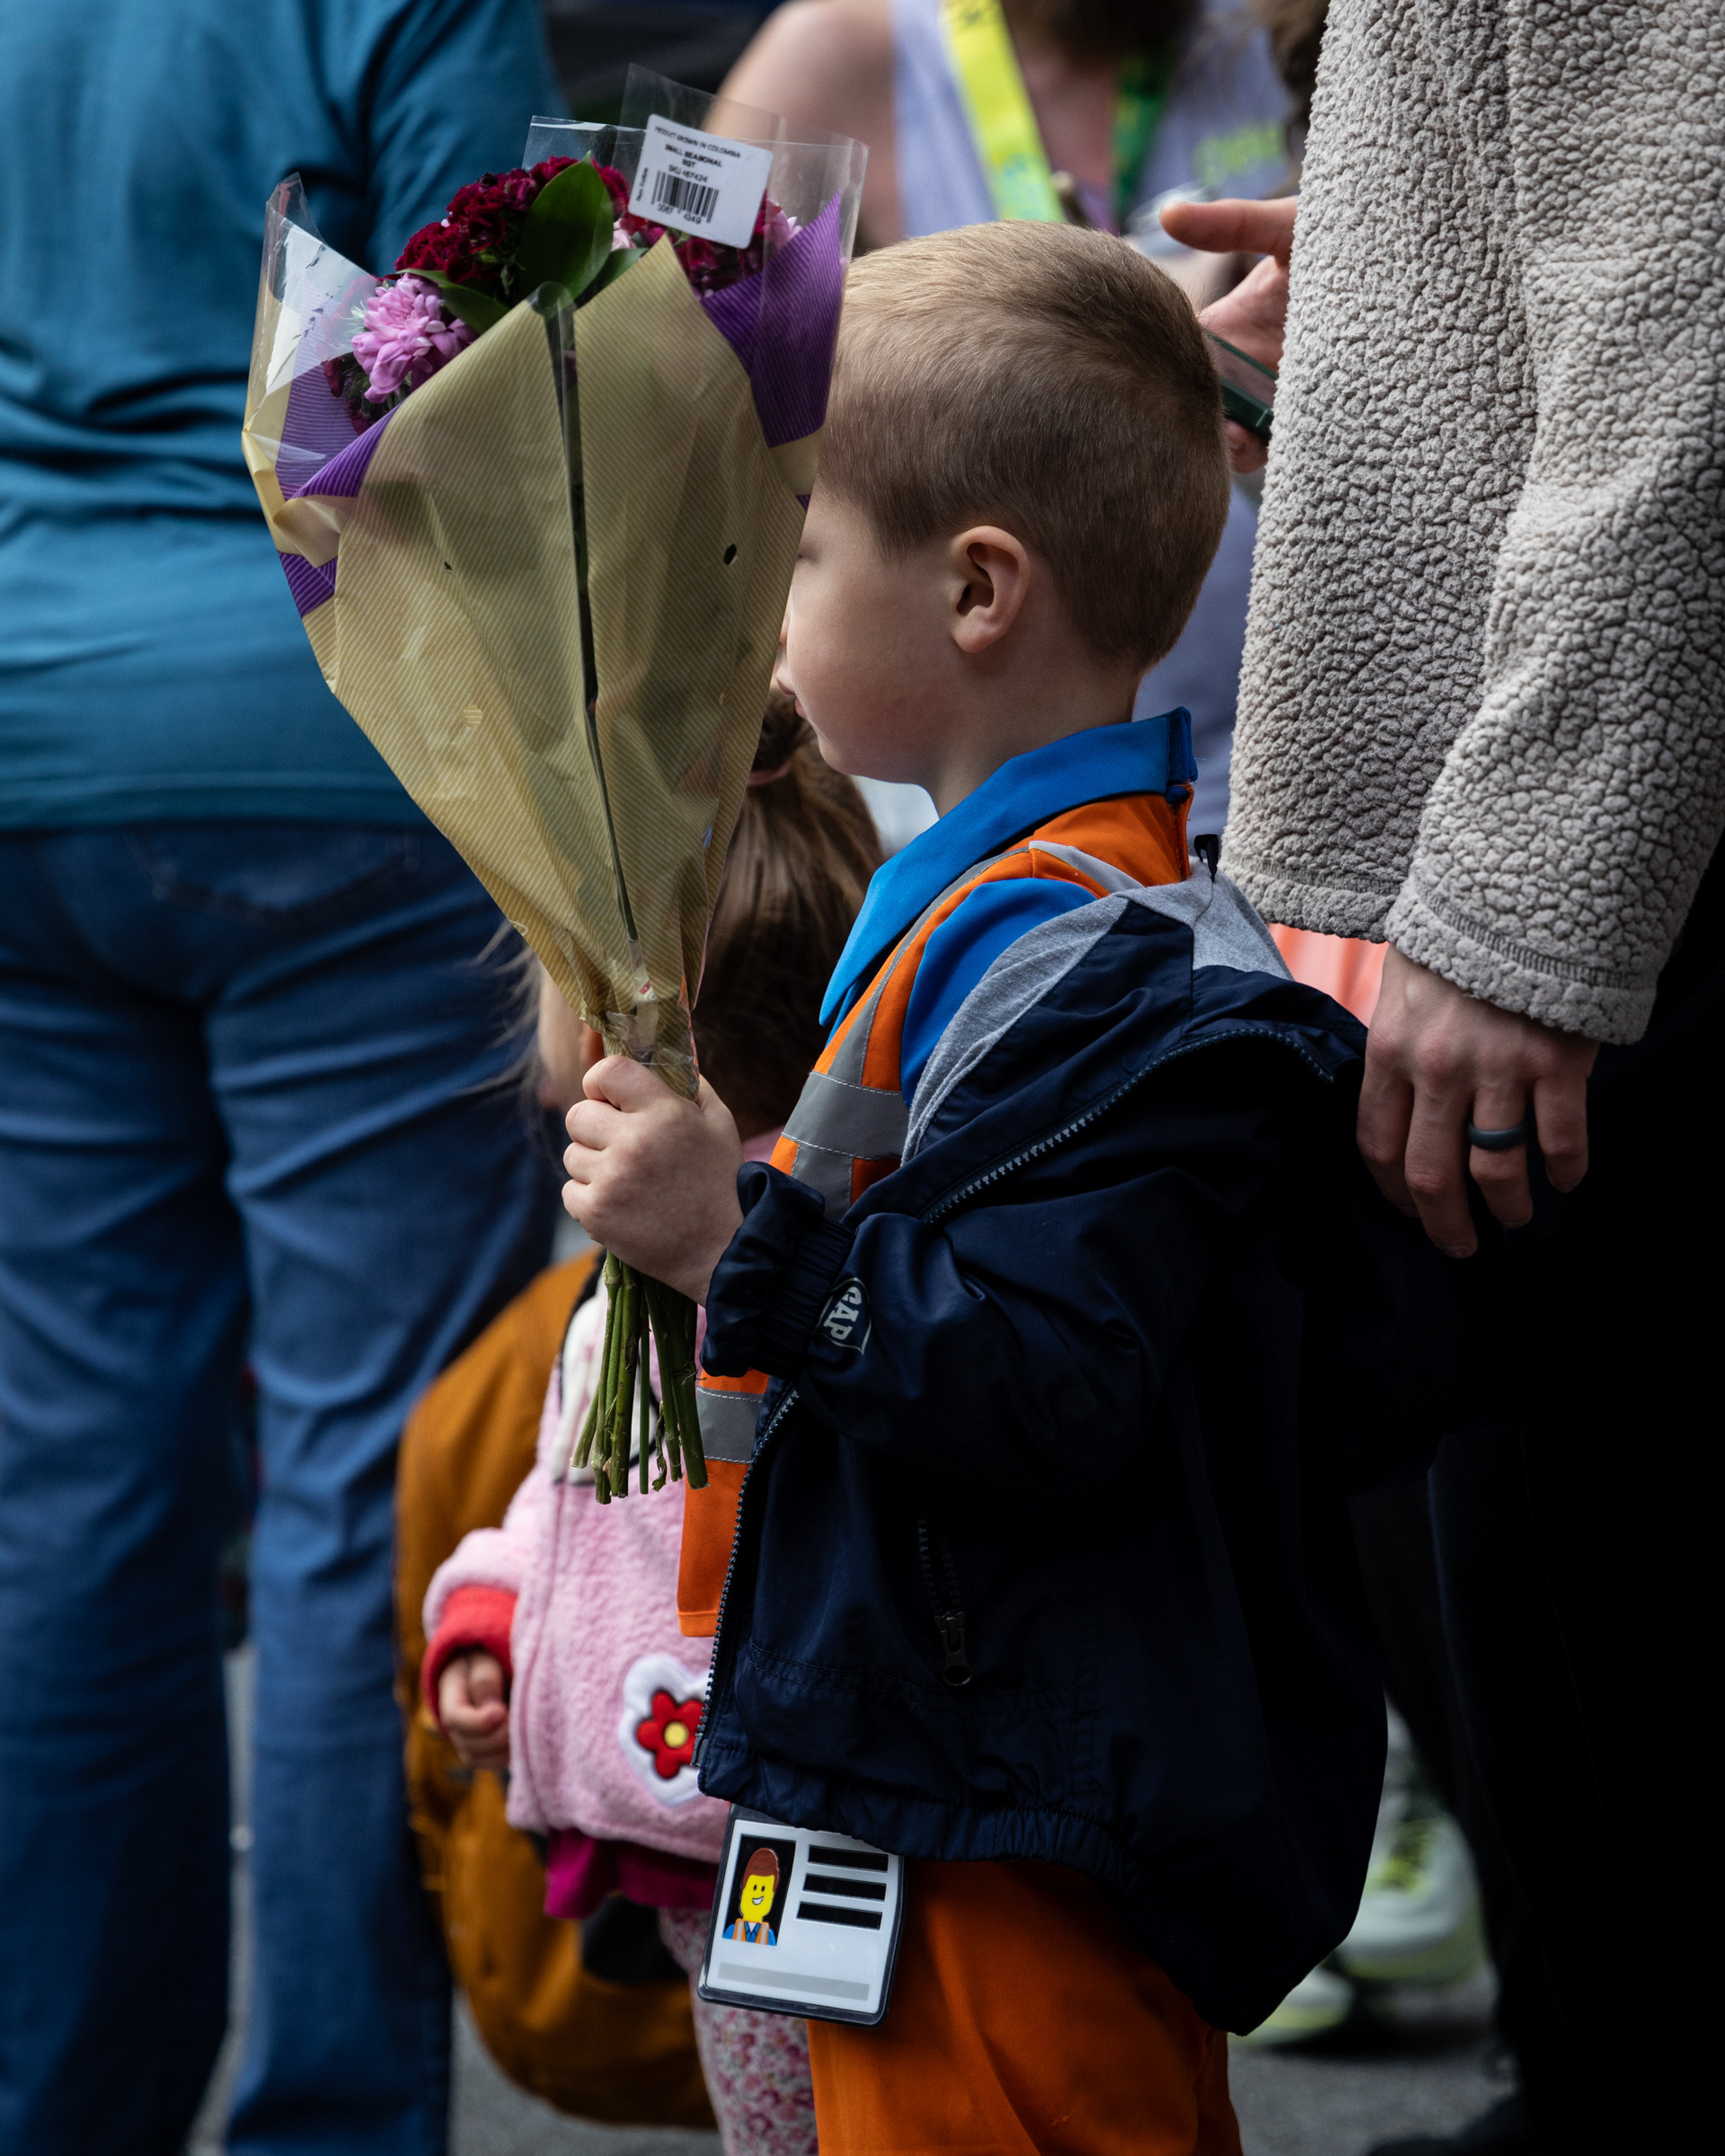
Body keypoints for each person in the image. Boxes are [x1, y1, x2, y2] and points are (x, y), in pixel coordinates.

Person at [561, 218, 1456, 2152]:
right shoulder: (989, 900)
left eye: (802, 550)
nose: (772, 603)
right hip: (927, 1767)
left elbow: (1050, 1377)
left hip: (1018, 1819)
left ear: (978, 591)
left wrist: (736, 1240)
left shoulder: (1115, 974)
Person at [0, 4, 562, 2152]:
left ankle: (63, 2108)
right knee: (362, 1485)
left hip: (29, 744)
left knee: (71, 1486)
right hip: (334, 743)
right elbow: (495, 379)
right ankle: (329, 2116)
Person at [1163, 4, 1725, 2147]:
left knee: (1592, 1649)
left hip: (1628, 917)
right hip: (1605, 892)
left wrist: (1519, 903)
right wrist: (1414, 287)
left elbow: (1686, 329)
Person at [418, 698, 880, 2156]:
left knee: (809, 2125)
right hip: (716, 1837)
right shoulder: (635, 1275)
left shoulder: (799, 1250)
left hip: (795, 1820)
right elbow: (571, 1503)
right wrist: (489, 1613)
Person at [723, 0, 1291, 844]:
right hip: (961, 792)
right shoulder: (831, 53)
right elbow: (704, 399)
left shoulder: (1295, 29)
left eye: (801, 559)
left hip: (1280, 796)